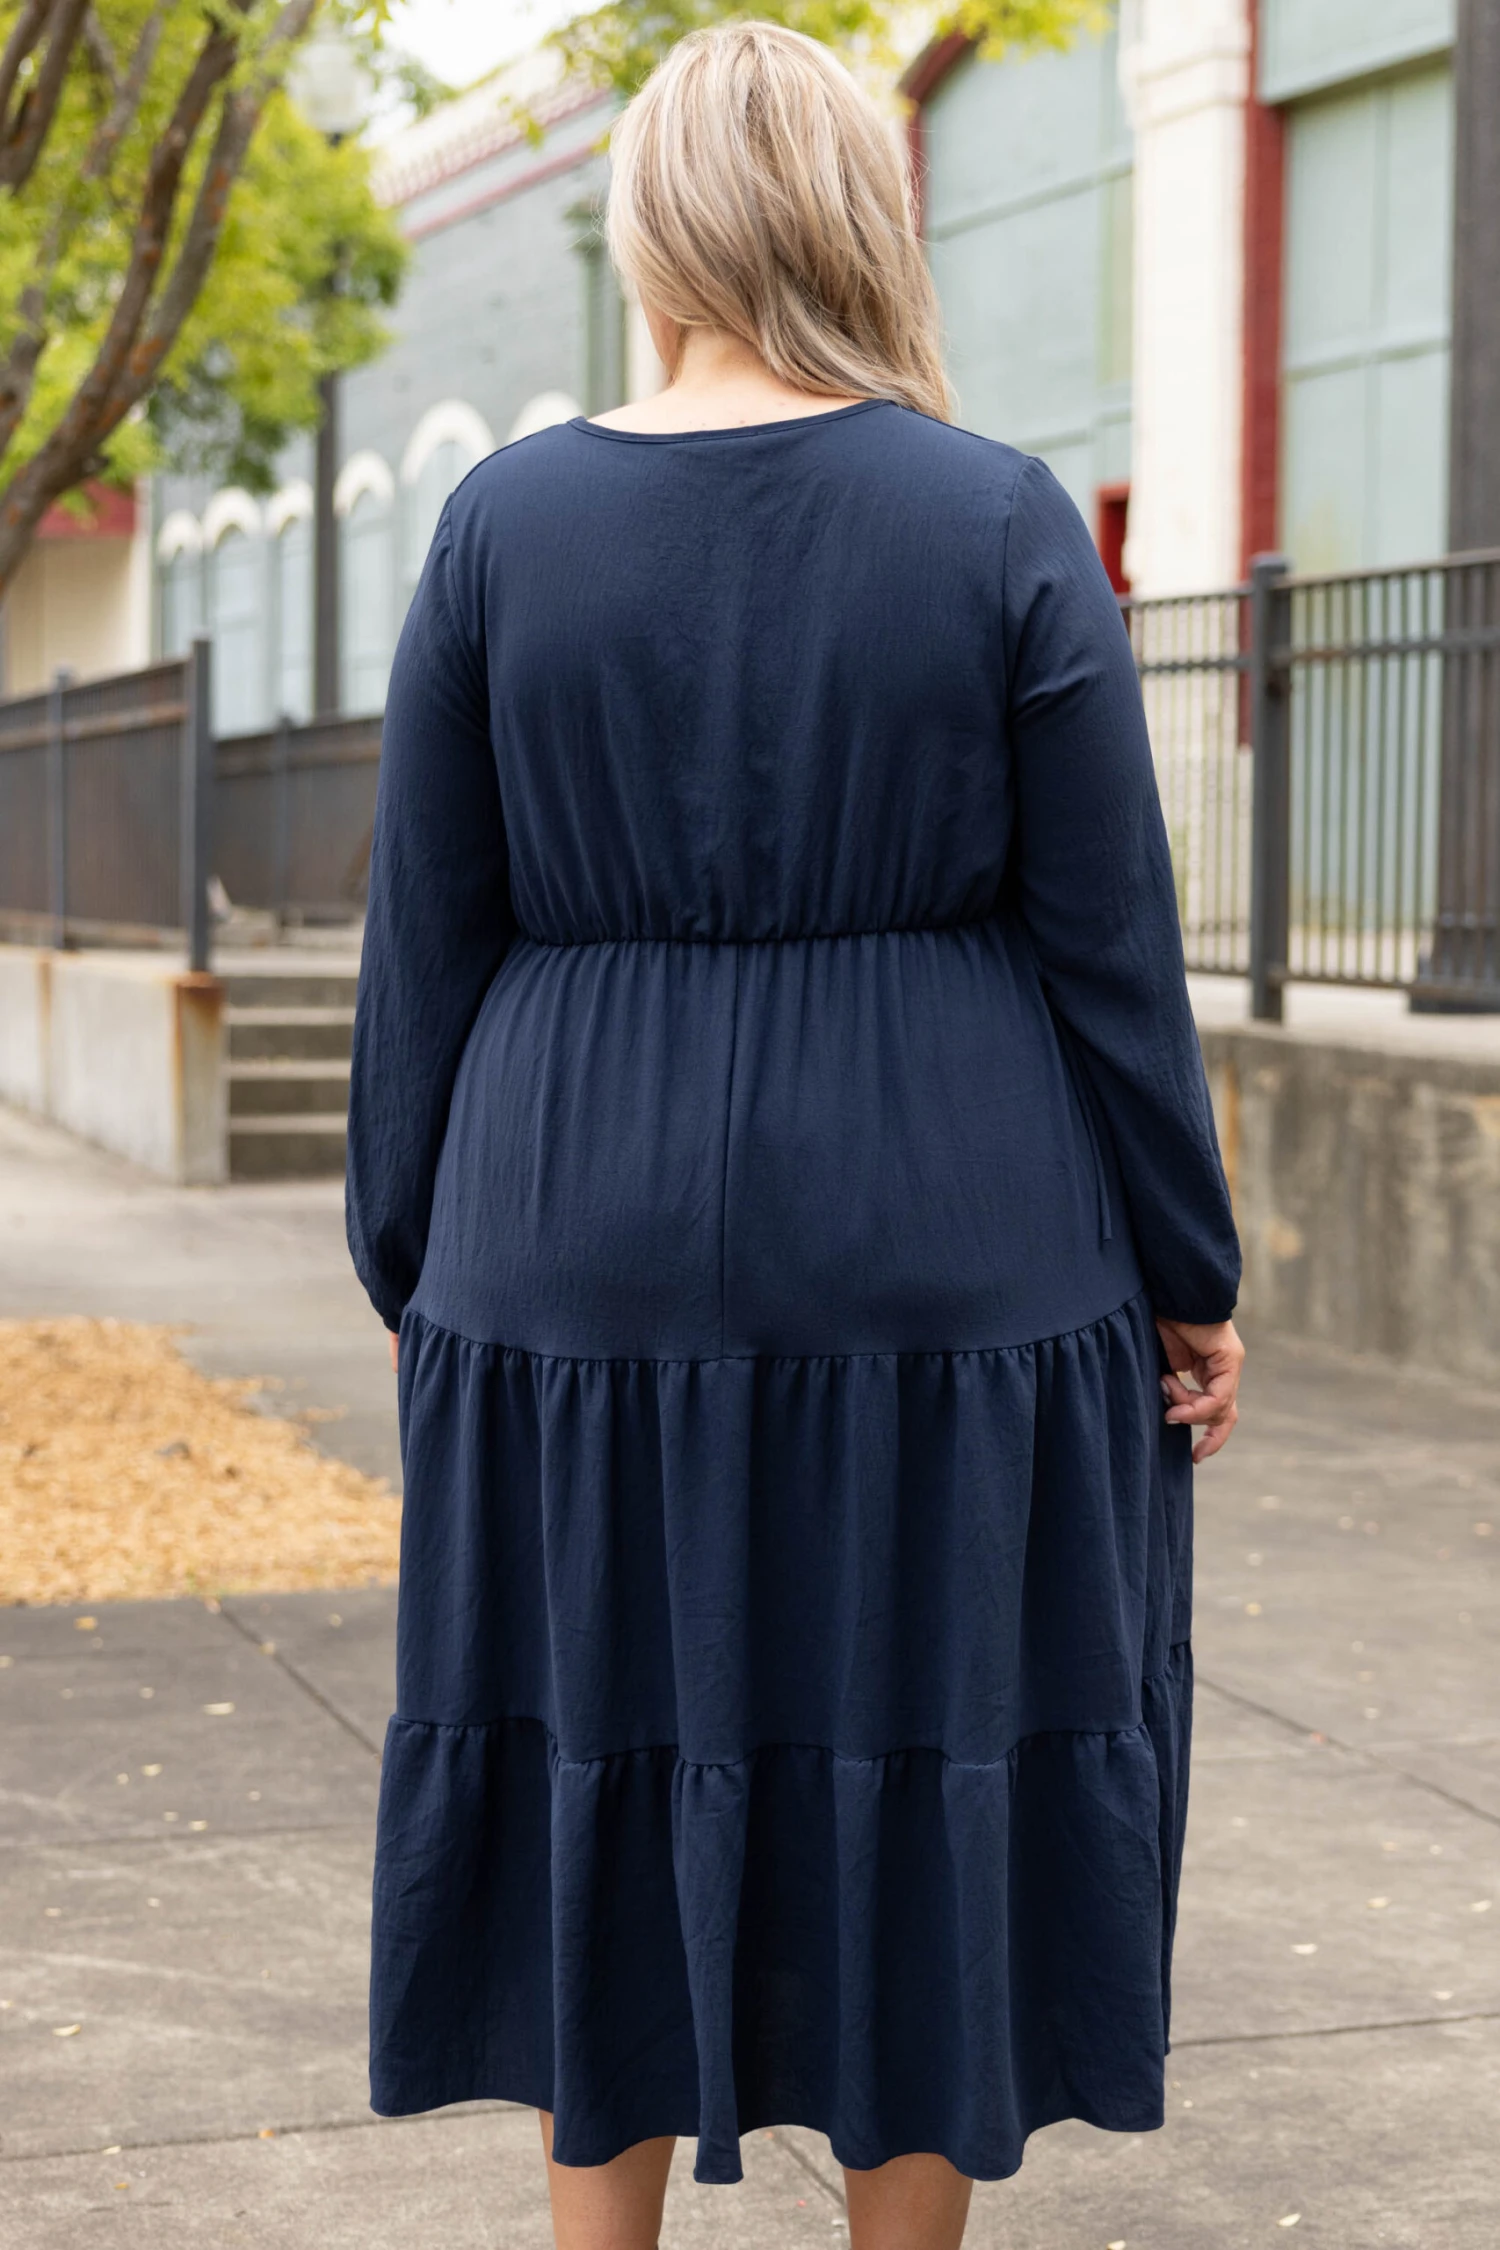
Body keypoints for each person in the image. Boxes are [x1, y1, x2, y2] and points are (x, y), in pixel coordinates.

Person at [345, 21, 1244, 2250]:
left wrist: (419, 1265)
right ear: (864, 218)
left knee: (599, 1748)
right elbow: (1113, 948)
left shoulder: (499, 527)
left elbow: (423, 943)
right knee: (931, 1755)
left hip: (567, 1237)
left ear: (651, 228)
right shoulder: (998, 516)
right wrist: (1191, 1274)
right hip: (950, 1236)